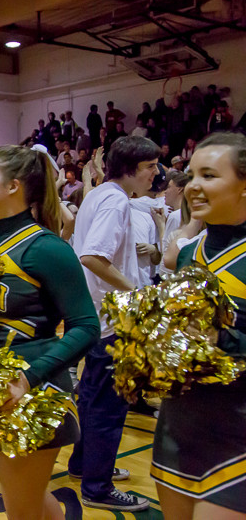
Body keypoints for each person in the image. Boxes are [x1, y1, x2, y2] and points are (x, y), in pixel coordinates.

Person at [0, 145, 99, 520]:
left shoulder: (46, 249)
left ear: (13, 186)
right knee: (28, 497)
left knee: (21, 508)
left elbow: (87, 326)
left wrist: (28, 379)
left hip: (32, 395)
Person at [153, 132, 246, 518]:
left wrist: (223, 338)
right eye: (191, 176)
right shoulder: (189, 253)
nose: (193, 187)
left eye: (209, 175)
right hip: (179, 424)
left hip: (237, 428)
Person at [67, 136, 160, 512]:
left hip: (93, 315)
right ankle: (98, 487)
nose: (157, 172)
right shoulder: (116, 200)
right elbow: (92, 256)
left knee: (91, 399)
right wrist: (137, 291)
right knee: (108, 405)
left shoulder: (100, 194)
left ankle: (83, 467)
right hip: (110, 320)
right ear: (131, 168)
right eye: (151, 166)